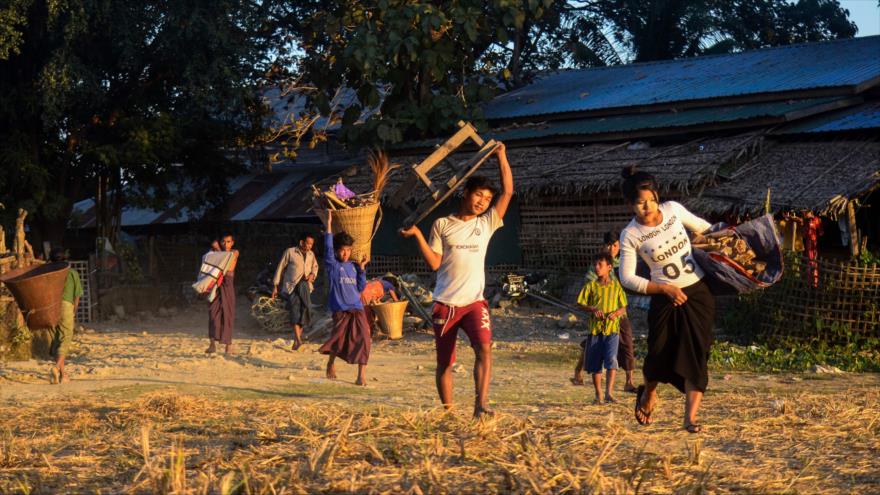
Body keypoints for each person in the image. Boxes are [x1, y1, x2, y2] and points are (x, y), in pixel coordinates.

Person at [399, 142, 514, 418]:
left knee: (484, 348)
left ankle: (480, 405)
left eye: (487, 199)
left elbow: (508, 191)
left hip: (475, 303)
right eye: (478, 196)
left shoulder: (486, 223)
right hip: (445, 305)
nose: (482, 202)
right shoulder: (442, 224)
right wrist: (416, 235)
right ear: (465, 193)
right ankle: (449, 413)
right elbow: (435, 262)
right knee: (445, 364)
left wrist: (502, 156)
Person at [618, 166, 714, 434]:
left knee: (697, 352)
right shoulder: (630, 234)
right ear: (630, 205)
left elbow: (705, 228)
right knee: (658, 353)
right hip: (665, 298)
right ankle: (648, 393)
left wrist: (711, 239)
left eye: (650, 199)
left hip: (698, 292)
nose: (646, 207)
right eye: (639, 203)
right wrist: (663, 289)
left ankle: (690, 418)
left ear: (657, 196)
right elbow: (626, 278)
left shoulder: (673, 210)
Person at [572, 231, 637, 393]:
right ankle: (580, 372)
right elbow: (588, 289)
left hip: (618, 314)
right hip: (599, 315)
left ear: (619, 246)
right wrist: (594, 306)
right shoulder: (598, 264)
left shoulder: (624, 262)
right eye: (608, 245)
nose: (611, 248)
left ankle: (629, 381)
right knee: (593, 344)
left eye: (614, 245)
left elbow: (628, 286)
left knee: (627, 343)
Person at [317, 212, 371, 385]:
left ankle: (361, 375)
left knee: (364, 339)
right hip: (340, 310)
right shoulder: (333, 266)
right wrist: (329, 226)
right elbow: (328, 250)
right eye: (342, 250)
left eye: (348, 250)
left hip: (357, 308)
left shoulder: (354, 267)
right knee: (338, 340)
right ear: (337, 250)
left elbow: (360, 288)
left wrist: (362, 269)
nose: (346, 254)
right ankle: (331, 362)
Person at [577, 252, 628, 403]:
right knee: (595, 363)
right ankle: (598, 394)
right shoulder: (590, 286)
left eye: (600, 264)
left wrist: (616, 313)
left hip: (612, 329)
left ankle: (609, 393)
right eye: (595, 265)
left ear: (609, 267)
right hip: (595, 330)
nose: (597, 267)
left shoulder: (616, 287)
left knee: (611, 359)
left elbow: (624, 306)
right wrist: (592, 309)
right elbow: (580, 303)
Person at [272, 232, 319, 350]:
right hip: (292, 286)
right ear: (301, 242)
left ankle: (296, 341)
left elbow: (315, 267)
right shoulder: (290, 252)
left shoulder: (311, 254)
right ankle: (298, 339)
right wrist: (275, 285)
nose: (309, 246)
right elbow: (280, 267)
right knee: (295, 311)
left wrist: (312, 275)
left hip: (305, 285)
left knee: (306, 308)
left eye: (311, 244)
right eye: (308, 243)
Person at [49, 248, 82, 384]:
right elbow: (77, 295)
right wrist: (74, 310)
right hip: (65, 306)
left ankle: (63, 375)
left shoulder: (49, 273)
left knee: (57, 339)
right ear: (65, 259)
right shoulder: (72, 273)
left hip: (50, 307)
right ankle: (56, 368)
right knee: (66, 338)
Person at [207, 233, 238, 354]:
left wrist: (218, 249)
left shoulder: (235, 252)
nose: (226, 244)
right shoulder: (213, 253)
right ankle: (212, 344)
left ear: (233, 243)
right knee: (213, 314)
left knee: (228, 314)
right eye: (223, 241)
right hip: (215, 285)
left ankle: (228, 346)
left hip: (227, 285)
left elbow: (228, 267)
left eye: (229, 241)